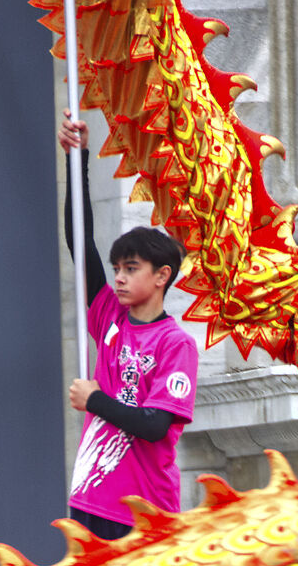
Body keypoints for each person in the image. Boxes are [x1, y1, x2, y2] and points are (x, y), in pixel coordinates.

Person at [57, 116, 197, 542]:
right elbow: (80, 242)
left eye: (131, 269)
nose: (118, 277)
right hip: (89, 499)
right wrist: (76, 159)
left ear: (161, 276)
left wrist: (95, 400)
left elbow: (155, 425)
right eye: (117, 268)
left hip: (144, 511)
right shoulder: (109, 317)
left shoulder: (176, 344)